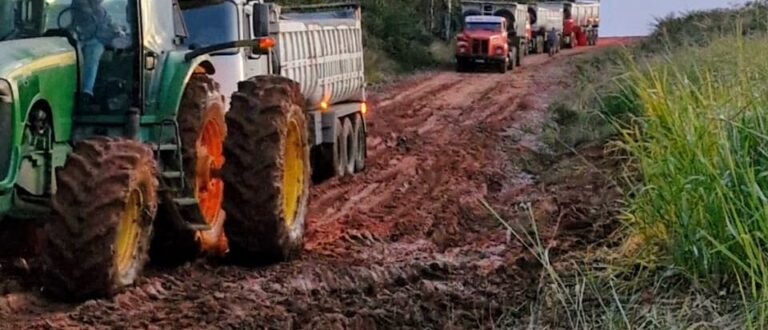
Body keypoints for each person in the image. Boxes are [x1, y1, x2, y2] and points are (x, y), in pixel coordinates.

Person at [70, 0, 124, 105]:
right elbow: (84, 18)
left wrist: (117, 29)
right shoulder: (80, 4)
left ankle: (86, 92)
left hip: (94, 40)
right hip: (77, 38)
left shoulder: (102, 11)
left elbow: (109, 22)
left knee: (93, 56)